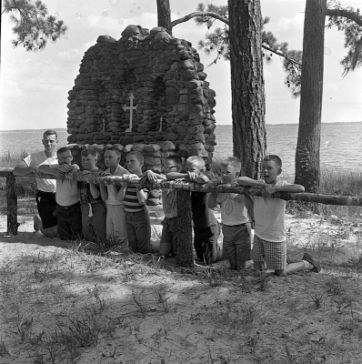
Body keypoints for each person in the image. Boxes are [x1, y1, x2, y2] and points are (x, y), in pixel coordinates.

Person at [236, 154, 321, 276]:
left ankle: (306, 263)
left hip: (275, 237)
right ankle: (269, 261)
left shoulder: (282, 185)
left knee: (281, 272)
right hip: (259, 235)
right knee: (258, 268)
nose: (265, 171)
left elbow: (301, 188)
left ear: (279, 171)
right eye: (263, 168)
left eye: (269, 168)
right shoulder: (259, 184)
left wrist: (276, 188)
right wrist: (263, 185)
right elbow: (240, 180)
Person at [167, 155, 221, 265]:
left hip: (209, 227)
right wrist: (186, 175)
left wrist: (191, 177)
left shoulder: (204, 179)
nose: (188, 172)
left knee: (209, 260)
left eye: (191, 169)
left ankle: (222, 250)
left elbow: (203, 179)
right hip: (198, 227)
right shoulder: (187, 179)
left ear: (201, 170)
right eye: (186, 168)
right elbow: (169, 175)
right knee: (200, 257)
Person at [209, 157, 253, 270]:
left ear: (237, 174)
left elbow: (241, 199)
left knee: (242, 264)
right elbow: (211, 205)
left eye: (227, 172)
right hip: (227, 229)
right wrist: (213, 191)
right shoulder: (221, 188)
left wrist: (235, 188)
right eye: (222, 172)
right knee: (228, 263)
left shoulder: (241, 188)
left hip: (242, 228)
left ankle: (260, 263)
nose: (223, 175)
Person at [13, 129, 59, 237]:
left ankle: (41, 219)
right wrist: (32, 168)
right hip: (45, 196)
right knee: (52, 234)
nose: (49, 144)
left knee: (65, 230)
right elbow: (16, 170)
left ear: (57, 141)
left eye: (51, 141)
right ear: (42, 141)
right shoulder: (35, 157)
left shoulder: (61, 157)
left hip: (61, 196)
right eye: (46, 141)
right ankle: (39, 222)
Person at [38, 147, 82, 240]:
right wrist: (54, 171)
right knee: (63, 236)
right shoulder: (57, 167)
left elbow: (72, 169)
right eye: (61, 158)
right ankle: (39, 225)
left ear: (71, 157)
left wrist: (60, 171)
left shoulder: (75, 167)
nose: (64, 160)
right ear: (58, 159)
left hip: (74, 207)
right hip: (60, 208)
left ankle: (40, 225)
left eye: (66, 157)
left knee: (76, 235)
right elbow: (41, 167)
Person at [144, 156, 182, 258]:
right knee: (163, 253)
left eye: (169, 167)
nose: (165, 170)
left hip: (178, 220)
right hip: (167, 220)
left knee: (177, 253)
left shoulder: (181, 181)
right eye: (164, 167)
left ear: (178, 168)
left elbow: (168, 176)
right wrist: (148, 171)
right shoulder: (164, 180)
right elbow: (154, 176)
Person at [99, 145, 129, 248]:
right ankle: (110, 251)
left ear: (118, 158)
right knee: (110, 231)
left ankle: (122, 252)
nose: (106, 159)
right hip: (109, 206)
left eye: (110, 157)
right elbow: (104, 197)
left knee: (120, 232)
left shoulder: (124, 173)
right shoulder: (105, 173)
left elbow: (122, 196)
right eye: (105, 157)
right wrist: (101, 183)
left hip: (120, 206)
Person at [122, 151, 151, 254]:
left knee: (143, 247)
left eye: (132, 161)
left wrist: (138, 184)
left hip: (139, 215)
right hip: (128, 215)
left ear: (141, 164)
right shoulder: (127, 178)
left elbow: (142, 200)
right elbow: (122, 198)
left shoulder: (144, 179)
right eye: (127, 161)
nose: (128, 163)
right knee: (132, 246)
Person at [79, 147, 106, 243]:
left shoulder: (100, 173)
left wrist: (90, 179)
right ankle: (89, 244)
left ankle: (100, 244)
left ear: (95, 159)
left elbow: (96, 195)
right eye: (83, 160)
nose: (85, 162)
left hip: (97, 205)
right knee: (86, 227)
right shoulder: (81, 174)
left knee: (98, 227)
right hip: (84, 205)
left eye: (88, 159)